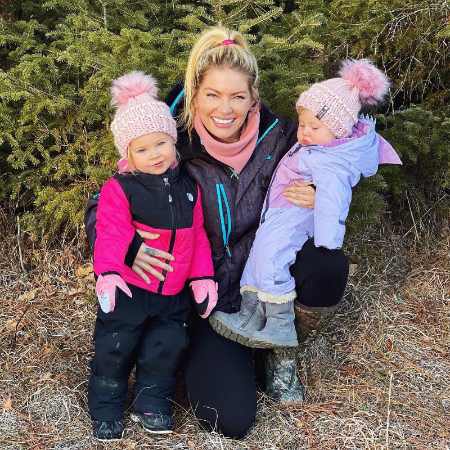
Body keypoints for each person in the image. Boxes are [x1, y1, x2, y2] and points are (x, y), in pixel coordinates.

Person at [85, 26, 349, 439]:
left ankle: (281, 345)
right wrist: (130, 247)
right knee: (229, 418)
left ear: (252, 97)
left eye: (237, 96)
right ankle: (238, 351)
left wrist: (323, 194)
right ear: (195, 93)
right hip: (206, 298)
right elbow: (108, 202)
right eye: (212, 95)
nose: (225, 108)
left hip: (258, 281)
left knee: (328, 263)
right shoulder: (170, 141)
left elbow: (342, 152)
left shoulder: (281, 138)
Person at [209, 59, 401, 349]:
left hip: (292, 213)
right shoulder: (316, 147)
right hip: (279, 212)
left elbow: (333, 197)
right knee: (262, 255)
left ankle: (280, 324)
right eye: (303, 124)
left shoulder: (328, 159)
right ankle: (250, 313)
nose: (305, 132)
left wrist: (327, 239)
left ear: (339, 131)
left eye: (314, 126)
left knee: (273, 259)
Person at [88, 71, 217, 441]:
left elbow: (197, 239)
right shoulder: (120, 188)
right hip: (129, 292)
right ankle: (107, 406)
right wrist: (110, 272)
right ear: (127, 154)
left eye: (160, 144)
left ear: (173, 142)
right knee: (115, 347)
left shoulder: (188, 187)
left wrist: (201, 278)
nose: (154, 155)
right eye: (142, 149)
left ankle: (152, 402)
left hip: (172, 296)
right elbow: (111, 231)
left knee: (165, 348)